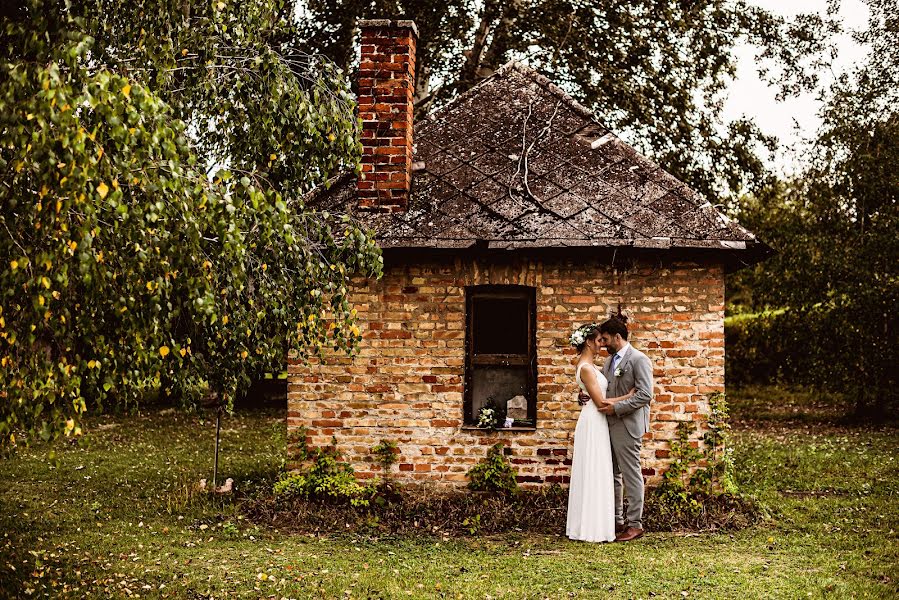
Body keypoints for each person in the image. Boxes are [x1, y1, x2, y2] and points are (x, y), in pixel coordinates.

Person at [578, 316, 654, 542]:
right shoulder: (608, 362)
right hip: (606, 425)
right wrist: (586, 396)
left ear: (617, 337)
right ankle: (616, 519)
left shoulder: (639, 360)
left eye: (606, 339)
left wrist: (617, 408)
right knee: (612, 475)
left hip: (627, 425)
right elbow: (602, 392)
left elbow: (645, 394)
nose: (602, 343)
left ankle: (635, 524)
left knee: (631, 474)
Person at [566, 323, 635, 543]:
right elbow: (600, 402)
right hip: (594, 420)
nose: (602, 344)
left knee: (599, 470)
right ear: (588, 342)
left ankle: (597, 523)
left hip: (598, 421)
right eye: (598, 341)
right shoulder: (586, 367)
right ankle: (590, 527)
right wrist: (629, 395)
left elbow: (592, 392)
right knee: (594, 470)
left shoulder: (592, 366)